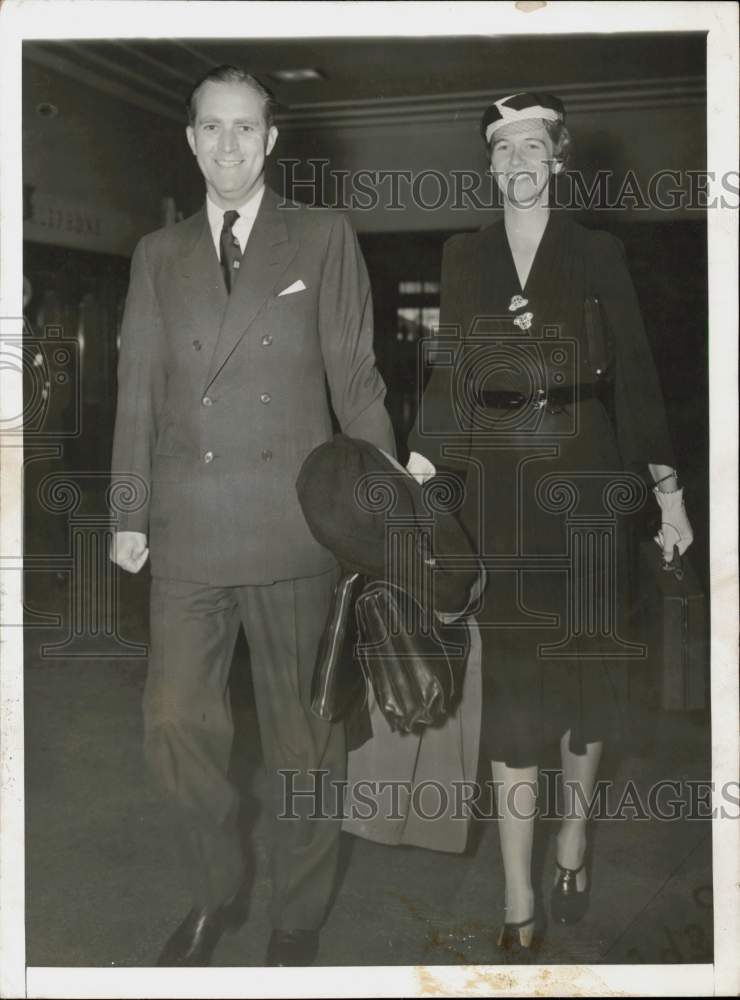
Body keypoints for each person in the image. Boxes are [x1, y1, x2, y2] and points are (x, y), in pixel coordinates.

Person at [109, 65, 395, 967]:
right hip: (189, 530)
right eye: (212, 128)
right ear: (190, 139)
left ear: (272, 142)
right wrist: (129, 510)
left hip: (294, 530)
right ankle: (213, 890)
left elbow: (356, 381)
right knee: (174, 730)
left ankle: (297, 918)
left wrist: (382, 515)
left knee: (306, 744)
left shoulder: (321, 236)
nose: (229, 145)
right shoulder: (159, 255)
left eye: (246, 129)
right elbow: (137, 393)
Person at [406, 92, 694, 958]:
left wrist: (669, 497)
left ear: (559, 158)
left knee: (590, 689)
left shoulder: (599, 252)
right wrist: (418, 470)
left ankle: (574, 837)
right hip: (501, 492)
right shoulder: (465, 257)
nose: (516, 162)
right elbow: (450, 372)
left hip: (593, 482)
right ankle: (519, 894)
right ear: (489, 163)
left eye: (531, 147)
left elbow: (636, 376)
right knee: (519, 700)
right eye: (501, 149)